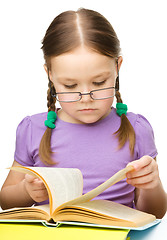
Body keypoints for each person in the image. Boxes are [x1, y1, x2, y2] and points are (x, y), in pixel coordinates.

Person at [0, 8, 166, 218]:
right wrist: (26, 190)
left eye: (99, 82)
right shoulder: (33, 129)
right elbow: (5, 201)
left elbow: (155, 213)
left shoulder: (137, 128)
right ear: (50, 75)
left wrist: (152, 184)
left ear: (117, 67)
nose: (86, 97)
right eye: (70, 85)